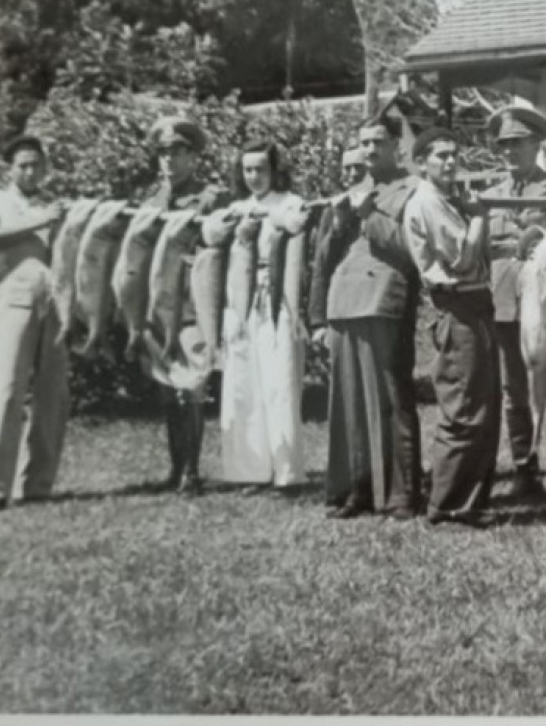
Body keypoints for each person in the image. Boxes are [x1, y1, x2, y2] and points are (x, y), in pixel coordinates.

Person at [311, 114, 423, 518]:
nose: (370, 150)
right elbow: (324, 259)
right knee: (349, 404)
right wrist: (339, 225)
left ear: (398, 146)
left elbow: (411, 250)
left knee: (392, 401)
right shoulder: (354, 191)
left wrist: (368, 216)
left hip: (384, 301)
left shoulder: (414, 190)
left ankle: (401, 495)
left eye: (378, 142)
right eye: (364, 143)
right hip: (344, 303)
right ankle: (356, 491)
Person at [482, 104, 546, 502]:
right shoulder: (489, 196)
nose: (510, 152)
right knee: (513, 388)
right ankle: (525, 468)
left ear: (536, 144)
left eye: (517, 143)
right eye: (503, 145)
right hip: (504, 302)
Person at [403, 125, 499, 528]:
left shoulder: (445, 199)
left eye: (454, 154)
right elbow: (460, 258)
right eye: (440, 155)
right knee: (463, 408)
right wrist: (479, 218)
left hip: (474, 305)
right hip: (457, 306)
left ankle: (470, 501)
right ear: (422, 163)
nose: (450, 162)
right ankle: (446, 504)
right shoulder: (428, 202)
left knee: (482, 403)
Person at [202, 141, 311, 490]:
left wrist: (270, 219)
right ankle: (249, 470)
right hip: (241, 294)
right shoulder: (237, 207)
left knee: (280, 380)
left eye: (261, 169)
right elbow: (209, 234)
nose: (254, 176)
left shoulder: (290, 202)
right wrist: (230, 223)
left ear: (275, 170)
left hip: (277, 294)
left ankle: (286, 470)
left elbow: (297, 223)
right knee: (243, 381)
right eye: (247, 170)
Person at [0, 135, 68, 512]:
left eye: (36, 164)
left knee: (53, 396)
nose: (30, 171)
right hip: (16, 299)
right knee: (8, 391)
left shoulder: (52, 203)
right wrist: (38, 222)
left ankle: (38, 485)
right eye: (23, 165)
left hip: (56, 303)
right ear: (9, 168)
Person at [138, 117, 227, 495]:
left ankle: (191, 470)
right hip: (158, 306)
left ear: (194, 155)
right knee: (165, 386)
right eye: (163, 152)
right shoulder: (149, 200)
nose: (169, 160)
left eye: (178, 151)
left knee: (190, 386)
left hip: (192, 304)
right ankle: (175, 469)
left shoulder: (211, 197)